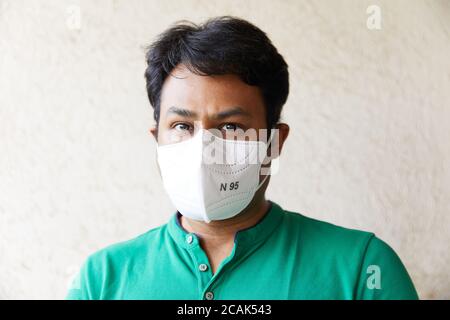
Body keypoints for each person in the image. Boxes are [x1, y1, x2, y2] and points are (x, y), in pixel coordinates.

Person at [66, 16, 418, 300]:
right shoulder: (102, 280)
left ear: (273, 142)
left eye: (232, 126)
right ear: (156, 140)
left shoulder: (361, 268)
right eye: (182, 125)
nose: (204, 146)